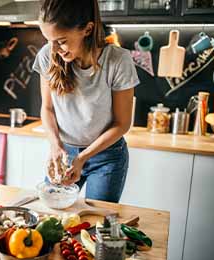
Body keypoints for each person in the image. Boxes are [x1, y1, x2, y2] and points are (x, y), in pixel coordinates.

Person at [32, 0, 140, 203]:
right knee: (52, 214)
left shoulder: (118, 61)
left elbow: (122, 124)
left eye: (61, 41)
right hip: (64, 152)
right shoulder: (47, 56)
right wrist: (55, 146)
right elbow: (47, 109)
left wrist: (82, 158)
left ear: (87, 29)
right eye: (48, 40)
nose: (54, 49)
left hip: (107, 157)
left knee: (96, 222)